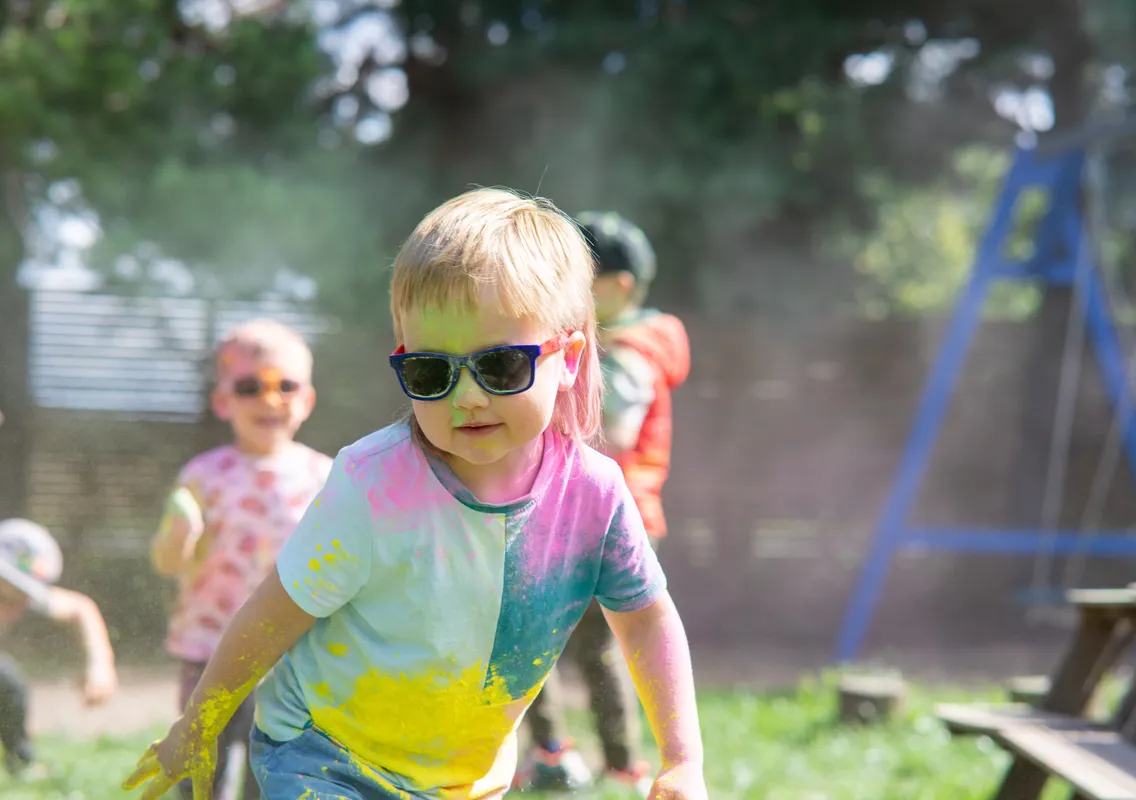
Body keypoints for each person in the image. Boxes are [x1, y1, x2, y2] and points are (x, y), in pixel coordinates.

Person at [123, 188, 707, 800]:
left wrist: (682, 760)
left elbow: (645, 622)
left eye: (501, 366)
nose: (468, 398)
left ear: (568, 360)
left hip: (460, 780)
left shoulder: (594, 494)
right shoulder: (373, 484)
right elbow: (272, 615)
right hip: (322, 751)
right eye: (432, 371)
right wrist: (199, 723)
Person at [513, 211, 691, 794]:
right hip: (610, 511)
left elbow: (611, 429)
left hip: (605, 515)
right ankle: (604, 762)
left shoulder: (630, 352)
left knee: (540, 633)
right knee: (582, 642)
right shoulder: (637, 342)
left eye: (576, 280)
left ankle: (570, 755)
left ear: (618, 286)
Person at [149, 319, 332, 800]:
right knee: (200, 761)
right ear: (222, 401)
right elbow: (167, 563)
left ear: (308, 399)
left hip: (290, 655)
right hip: (208, 648)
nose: (270, 400)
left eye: (285, 386)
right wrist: (178, 536)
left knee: (273, 770)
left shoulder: (327, 477)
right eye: (250, 387)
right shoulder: (202, 476)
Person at [0, 517, 118, 777]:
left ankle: (21, 763)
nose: (14, 607)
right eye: (5, 597)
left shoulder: (19, 594)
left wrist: (100, 666)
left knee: (9, 687)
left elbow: (81, 608)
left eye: (23, 597)